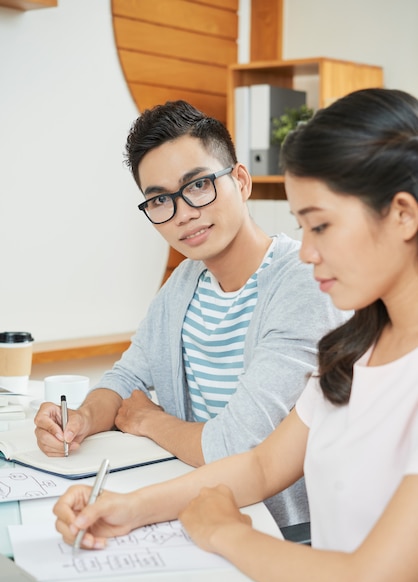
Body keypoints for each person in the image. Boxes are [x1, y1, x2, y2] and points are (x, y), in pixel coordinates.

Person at [53, 88, 418, 582]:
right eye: (302, 226)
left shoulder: (310, 296)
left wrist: (224, 531)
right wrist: (127, 508)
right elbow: (263, 463)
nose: (308, 250)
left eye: (320, 225)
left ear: (403, 215)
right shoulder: (356, 348)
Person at [35, 100, 347, 528]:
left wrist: (149, 420)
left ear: (241, 179)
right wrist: (82, 420)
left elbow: (237, 445)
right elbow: (124, 381)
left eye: (198, 185)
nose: (183, 213)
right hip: (193, 506)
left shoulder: (303, 283)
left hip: (281, 527)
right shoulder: (184, 282)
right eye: (160, 199)